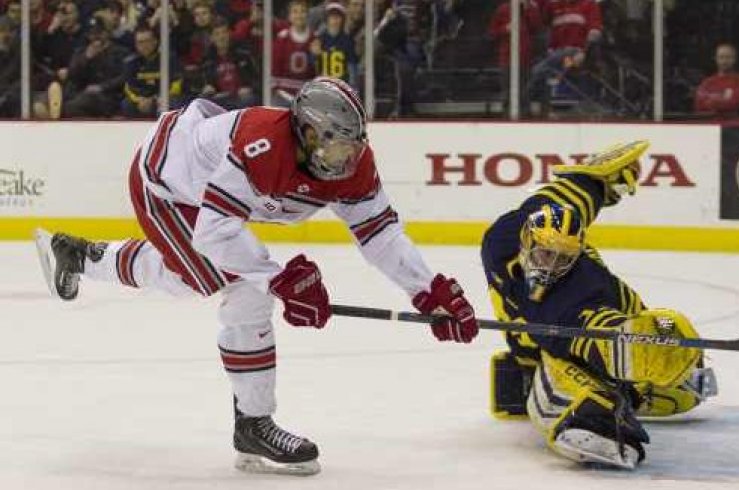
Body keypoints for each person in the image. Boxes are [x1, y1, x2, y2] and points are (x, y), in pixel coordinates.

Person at [34, 77, 479, 475]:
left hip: (208, 197)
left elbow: (379, 232)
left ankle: (84, 257)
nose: (348, 156)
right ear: (306, 132)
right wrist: (279, 279)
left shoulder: (353, 164)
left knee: (196, 277)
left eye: (354, 144)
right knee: (241, 289)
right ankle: (253, 424)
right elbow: (214, 232)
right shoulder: (262, 147)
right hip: (169, 183)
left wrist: (428, 292)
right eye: (336, 144)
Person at [481, 141, 715, 469]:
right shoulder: (502, 239)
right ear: (527, 241)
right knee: (570, 365)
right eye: (546, 255)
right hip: (543, 348)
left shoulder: (580, 288)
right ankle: (599, 410)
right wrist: (592, 182)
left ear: (576, 254)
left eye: (563, 258)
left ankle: (626, 393)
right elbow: (557, 202)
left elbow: (598, 325)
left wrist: (651, 333)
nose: (550, 266)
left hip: (585, 327)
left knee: (681, 388)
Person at [121, 24, 183, 117]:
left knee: (174, 102)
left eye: (147, 41)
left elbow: (177, 83)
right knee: (126, 104)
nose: (144, 45)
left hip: (163, 98)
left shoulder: (169, 59)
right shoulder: (131, 62)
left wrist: (157, 99)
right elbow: (128, 87)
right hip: (141, 100)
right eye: (140, 42)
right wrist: (140, 100)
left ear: (155, 41)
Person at [200, 19, 259, 110]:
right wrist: (208, 87)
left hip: (240, 97)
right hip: (219, 98)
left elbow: (257, 79)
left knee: (249, 99)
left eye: (224, 33)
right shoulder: (207, 60)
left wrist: (249, 87)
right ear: (212, 38)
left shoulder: (243, 54)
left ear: (229, 34)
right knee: (202, 102)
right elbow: (205, 83)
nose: (221, 37)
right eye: (217, 34)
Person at [272, 0, 317, 105]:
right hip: (283, 94)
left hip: (306, 96)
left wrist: (316, 56)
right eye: (295, 12)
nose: (299, 15)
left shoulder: (314, 38)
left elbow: (315, 70)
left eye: (302, 11)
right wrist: (276, 89)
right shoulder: (282, 38)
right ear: (289, 16)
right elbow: (275, 67)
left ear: (307, 15)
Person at [694, 42, 739, 119]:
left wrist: (712, 101)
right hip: (711, 126)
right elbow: (699, 105)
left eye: (728, 57)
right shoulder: (707, 83)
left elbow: (734, 103)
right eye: (721, 57)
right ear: (716, 59)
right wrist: (722, 99)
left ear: (734, 59)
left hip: (733, 127)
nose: (724, 61)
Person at [312, 2, 357, 83]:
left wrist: (353, 89)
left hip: (341, 85)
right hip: (322, 85)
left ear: (343, 19)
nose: (335, 19)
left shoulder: (348, 41)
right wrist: (314, 55)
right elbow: (312, 66)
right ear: (326, 19)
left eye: (338, 16)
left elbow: (352, 67)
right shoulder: (319, 39)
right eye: (332, 16)